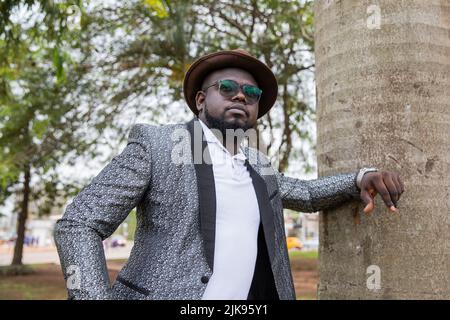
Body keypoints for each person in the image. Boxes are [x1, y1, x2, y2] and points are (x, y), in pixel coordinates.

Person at [54, 49, 404, 300]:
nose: (241, 94)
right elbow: (79, 224)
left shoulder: (258, 166)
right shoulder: (158, 145)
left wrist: (362, 177)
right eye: (228, 88)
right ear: (202, 100)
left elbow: (307, 194)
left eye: (251, 93)